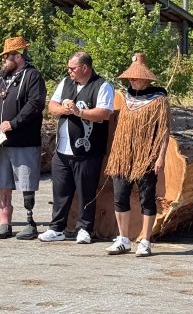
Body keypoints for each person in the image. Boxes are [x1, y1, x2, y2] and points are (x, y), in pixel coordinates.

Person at [39, 51, 115, 244]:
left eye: (72, 68)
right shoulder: (65, 83)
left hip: (88, 151)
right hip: (62, 150)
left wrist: (78, 111)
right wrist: (64, 109)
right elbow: (52, 106)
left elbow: (104, 113)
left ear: (85, 68)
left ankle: (84, 229)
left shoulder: (102, 85)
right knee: (60, 191)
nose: (69, 71)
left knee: (86, 191)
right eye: (69, 68)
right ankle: (57, 228)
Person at [103, 52, 171, 257]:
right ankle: (123, 238)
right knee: (120, 197)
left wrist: (160, 157)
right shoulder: (125, 97)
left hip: (147, 157)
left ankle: (146, 240)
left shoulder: (159, 99)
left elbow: (164, 131)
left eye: (135, 77)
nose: (132, 80)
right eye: (130, 77)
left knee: (147, 199)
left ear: (146, 78)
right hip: (123, 156)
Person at [0, 36, 47, 240]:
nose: (3, 60)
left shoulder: (33, 76)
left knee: (26, 182)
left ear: (18, 56)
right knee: (3, 182)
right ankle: (5, 223)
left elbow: (35, 104)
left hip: (24, 140)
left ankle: (30, 222)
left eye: (7, 57)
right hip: (1, 141)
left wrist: (14, 123)